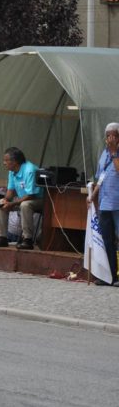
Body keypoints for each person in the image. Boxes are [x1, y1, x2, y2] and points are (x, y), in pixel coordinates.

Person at [0, 147, 44, 250]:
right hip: (23, 198)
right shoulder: (12, 171)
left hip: (39, 200)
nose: (4, 163)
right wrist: (6, 200)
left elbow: (31, 195)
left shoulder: (29, 170)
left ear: (15, 161)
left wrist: (13, 204)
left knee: (25, 205)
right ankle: (2, 238)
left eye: (6, 160)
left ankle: (27, 239)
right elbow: (11, 191)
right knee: (1, 202)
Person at [87, 122, 119, 285]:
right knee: (106, 239)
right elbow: (101, 176)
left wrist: (114, 152)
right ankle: (110, 276)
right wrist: (92, 194)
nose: (110, 138)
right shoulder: (104, 154)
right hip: (105, 203)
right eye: (108, 136)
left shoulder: (114, 153)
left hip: (117, 203)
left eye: (113, 135)